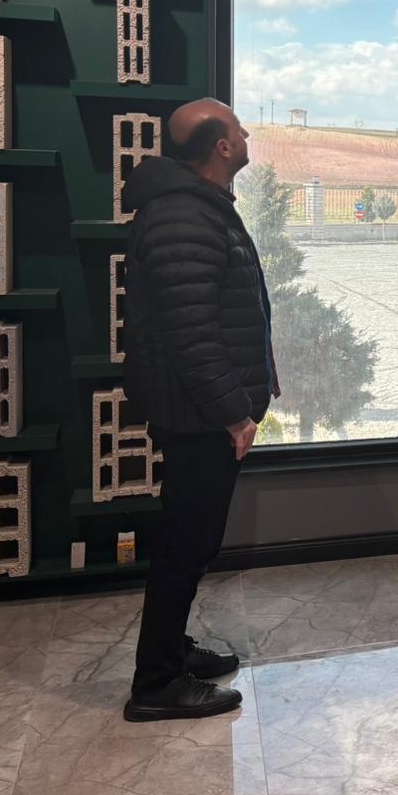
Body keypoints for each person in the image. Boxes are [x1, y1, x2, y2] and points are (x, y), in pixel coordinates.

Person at [122, 99, 275, 722]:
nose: (246, 131)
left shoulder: (194, 207)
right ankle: (156, 682)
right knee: (187, 542)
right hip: (199, 416)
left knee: (191, 538)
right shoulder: (184, 215)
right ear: (221, 147)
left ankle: (172, 649)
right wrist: (234, 413)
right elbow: (192, 335)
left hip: (197, 411)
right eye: (237, 126)